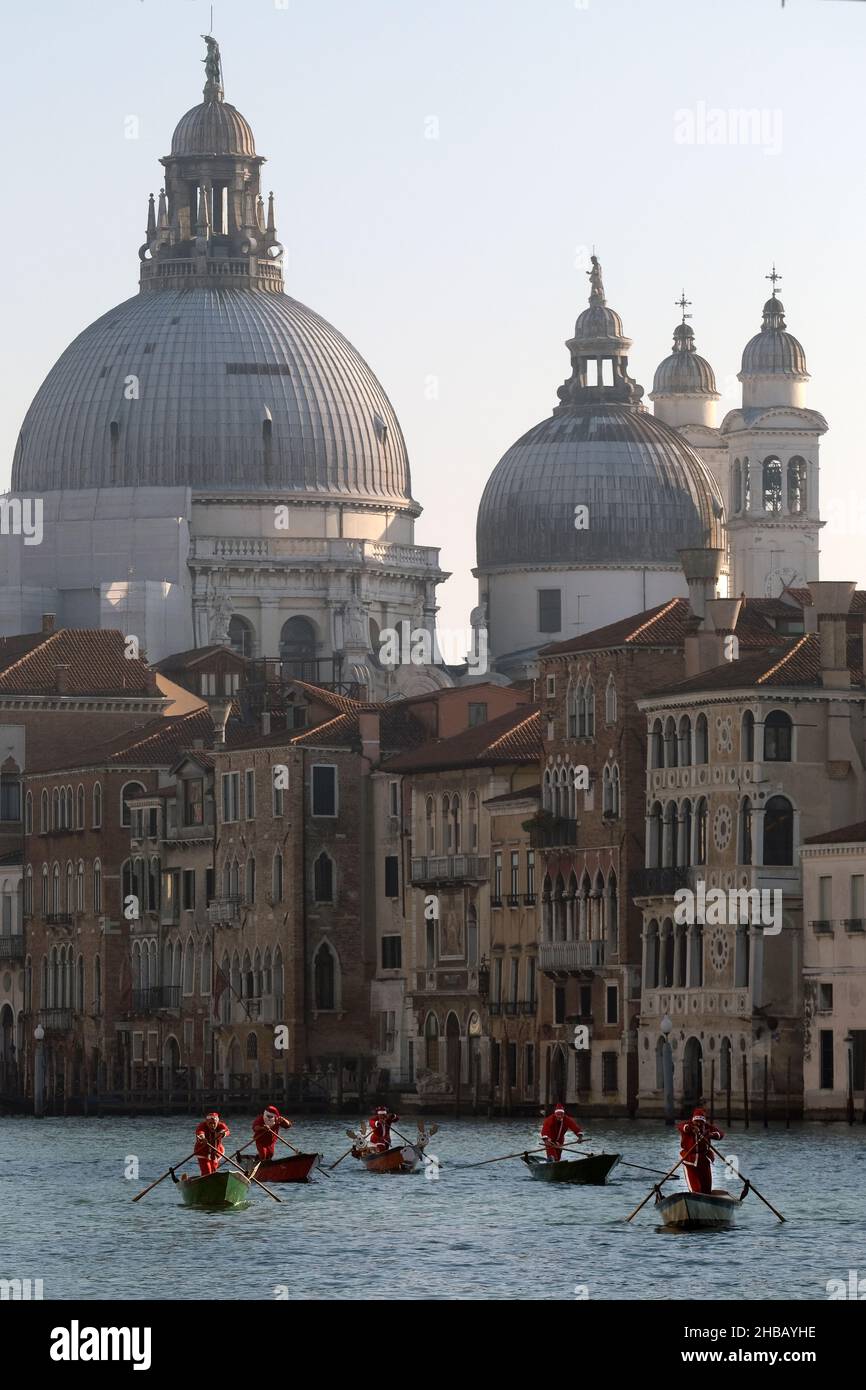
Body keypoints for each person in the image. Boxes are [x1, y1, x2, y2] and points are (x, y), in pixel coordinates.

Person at [677, 1106, 724, 1194]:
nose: (698, 1124)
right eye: (696, 1121)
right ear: (693, 1120)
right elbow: (681, 1127)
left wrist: (711, 1135)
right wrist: (690, 1128)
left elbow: (720, 1134)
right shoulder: (688, 1125)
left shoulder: (707, 1127)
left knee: (706, 1191)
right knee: (696, 1191)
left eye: (701, 1122)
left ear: (704, 1122)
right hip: (690, 1161)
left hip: (704, 1160)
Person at [194, 1111, 230, 1176]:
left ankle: (212, 1182)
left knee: (213, 1170)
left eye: (214, 1123)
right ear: (207, 1122)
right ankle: (206, 1181)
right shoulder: (202, 1125)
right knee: (207, 1171)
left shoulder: (221, 1125)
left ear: (217, 1122)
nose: (212, 1125)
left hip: (216, 1151)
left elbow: (226, 1130)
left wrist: (222, 1133)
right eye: (210, 1123)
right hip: (202, 1152)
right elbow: (200, 1132)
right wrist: (203, 1138)